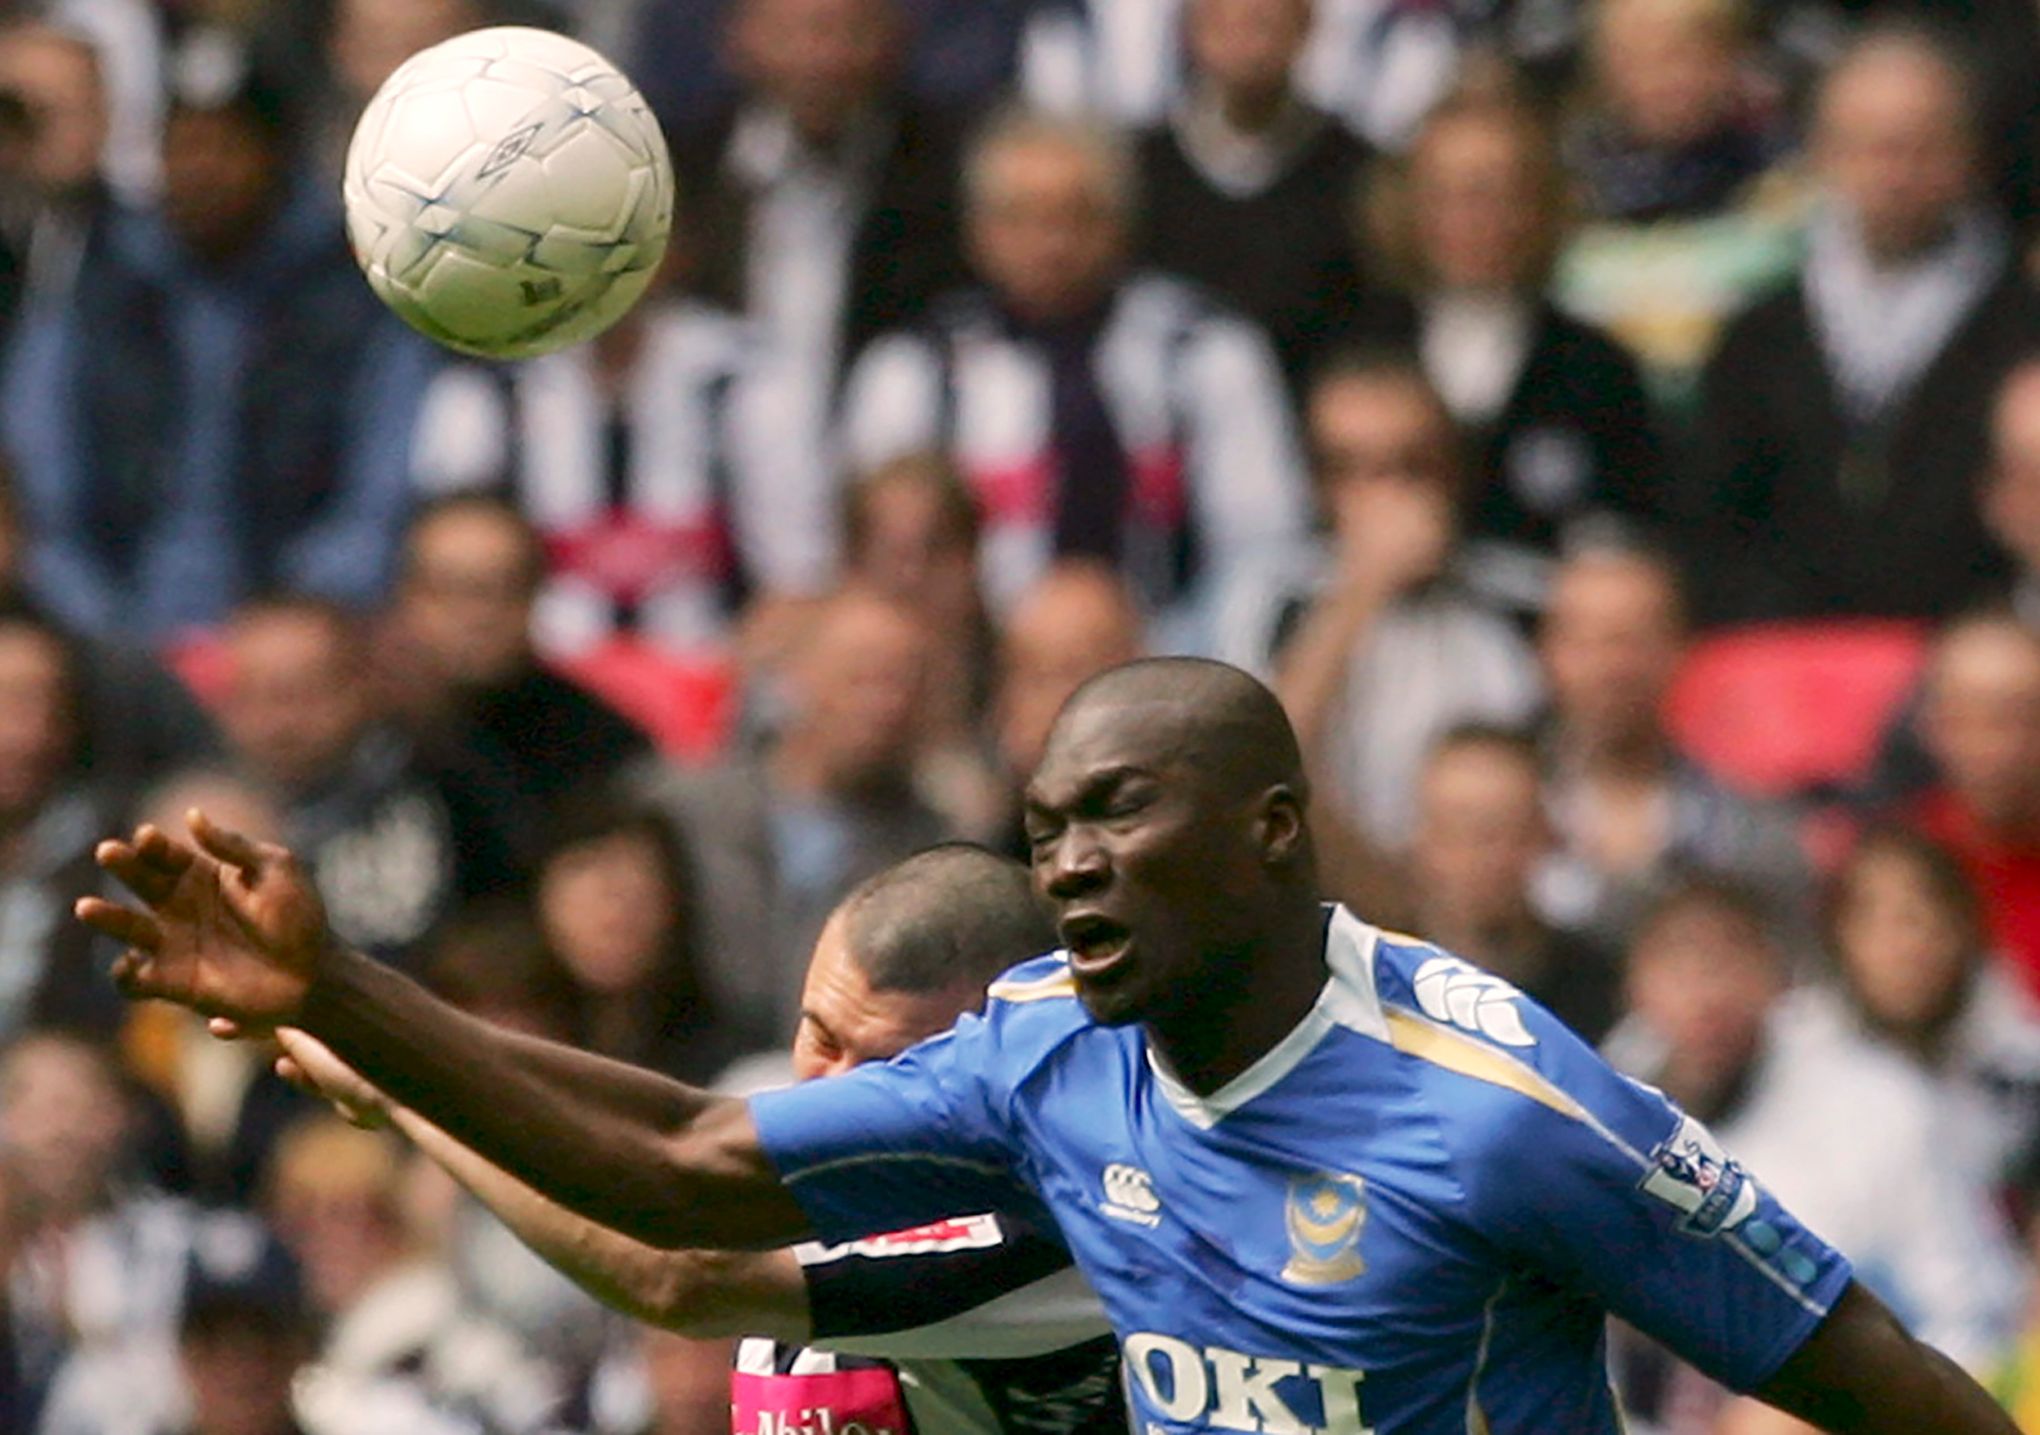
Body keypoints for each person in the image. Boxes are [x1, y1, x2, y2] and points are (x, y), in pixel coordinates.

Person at [81, 656, 2022, 1433]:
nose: (1071, 865)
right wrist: (338, 989)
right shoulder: (1042, 1048)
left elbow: (1863, 1372)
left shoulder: (1497, 1107)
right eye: (1045, 830)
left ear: (1272, 828)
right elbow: (682, 1158)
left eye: (1121, 817)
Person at [275, 844, 1126, 1435]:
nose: (830, 1090)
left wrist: (406, 1085)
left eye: (889, 1067)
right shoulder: (824, 1159)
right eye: (819, 1034)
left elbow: (678, 1273)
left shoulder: (1058, 1227)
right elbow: (667, 1129)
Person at [0, 46, 433, 640]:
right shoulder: (100, 279)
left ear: (277, 157)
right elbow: (42, 488)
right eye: (183, 146)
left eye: (225, 146)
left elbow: (378, 499)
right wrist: (105, 629)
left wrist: (293, 622)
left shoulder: (349, 293)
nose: (201, 169)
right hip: (111, 635)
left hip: (305, 638)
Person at [839, 107, 1310, 647]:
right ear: (978, 231)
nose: (1050, 244)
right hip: (970, 672)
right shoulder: (912, 371)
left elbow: (1262, 549)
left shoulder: (1206, 353)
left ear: (1120, 223)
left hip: (1172, 668)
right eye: (1020, 218)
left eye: (1075, 216)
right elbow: (878, 564)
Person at [1606, 875, 2025, 1429]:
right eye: (1677, 963)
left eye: (1725, 958)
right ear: (1636, 985)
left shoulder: (1879, 1103)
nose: (1705, 991)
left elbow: (1968, 1314)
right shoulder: (1599, 1114)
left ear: (1774, 975)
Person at [1680, 24, 2040, 626]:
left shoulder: (2024, 324)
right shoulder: (1759, 333)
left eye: (1922, 146)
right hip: (1790, 665)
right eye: (1872, 146)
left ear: (1971, 154)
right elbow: (1711, 521)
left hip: (1984, 660)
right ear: (1823, 153)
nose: (1896, 174)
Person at [1363, 91, 1660, 616]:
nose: (1472, 220)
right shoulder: (1361, 350)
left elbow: (1623, 539)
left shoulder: (1596, 368)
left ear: (1541, 206)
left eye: (1496, 195)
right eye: (1446, 195)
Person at [1248, 353, 1541, 850]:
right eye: (1353, 470)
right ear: (1319, 486)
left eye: (1411, 468)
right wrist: (1359, 592)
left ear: (1453, 473)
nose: (1388, 495)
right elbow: (1263, 771)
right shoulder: (1270, 599)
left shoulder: (1527, 601)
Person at [639, 588, 950, 1049]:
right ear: (797, 677)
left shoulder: (940, 855)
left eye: (908, 682)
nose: (888, 704)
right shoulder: (679, 812)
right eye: (863, 677)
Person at [215, 593, 524, 967]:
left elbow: (506, 919)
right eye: (254, 695)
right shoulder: (196, 815)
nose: (280, 724)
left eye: (301, 693)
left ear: (360, 685)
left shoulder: (444, 783)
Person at [1535, 541, 1810, 946]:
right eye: (1585, 642)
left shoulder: (1752, 836)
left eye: (1629, 641)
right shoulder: (1496, 820)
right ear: (1547, 653)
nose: (1610, 669)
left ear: (1678, 649)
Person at [1134, 0, 1394, 395]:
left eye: (1263, 24)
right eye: (1222, 25)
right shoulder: (1142, 168)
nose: (1245, 45)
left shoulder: (1358, 171)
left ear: (1306, 29)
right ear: (1187, 33)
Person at [382, 494, 652, 818]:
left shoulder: (598, 744)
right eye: (453, 589)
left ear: (536, 593)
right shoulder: (358, 732)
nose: (478, 614)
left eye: (504, 588)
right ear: (407, 596)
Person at [1406, 724, 1623, 1045]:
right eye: (1461, 830)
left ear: (1544, 837)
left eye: (1507, 832)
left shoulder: (1602, 991)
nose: (1483, 858)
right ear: (1421, 840)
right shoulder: (1365, 983)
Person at [1907, 611, 2040, 1000]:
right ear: (1929, 726)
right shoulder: (1902, 864)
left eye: (2021, 717)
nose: (1997, 747)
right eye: (1966, 716)